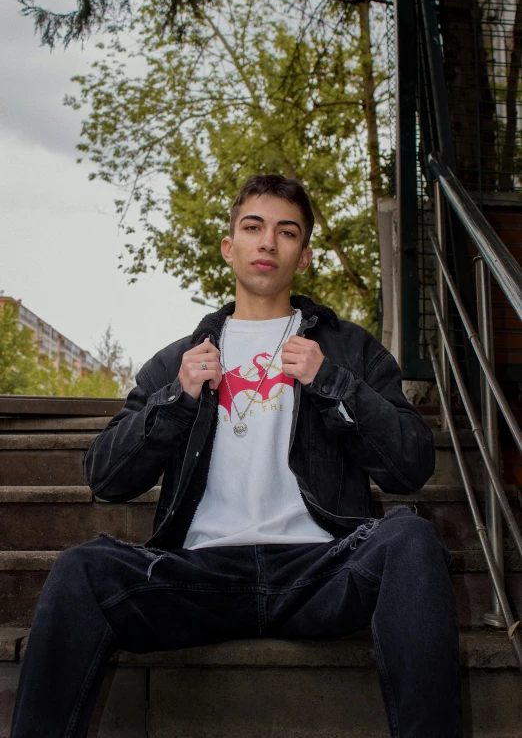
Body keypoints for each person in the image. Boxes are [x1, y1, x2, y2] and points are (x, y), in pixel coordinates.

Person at [10, 174, 462, 738]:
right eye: (253, 227)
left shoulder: (348, 350)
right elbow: (105, 477)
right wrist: (176, 400)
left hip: (320, 571)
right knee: (81, 568)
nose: (268, 242)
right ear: (231, 246)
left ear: (304, 254)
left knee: (412, 539)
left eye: (286, 231)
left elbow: (411, 466)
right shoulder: (177, 361)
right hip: (201, 575)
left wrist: (333, 384)